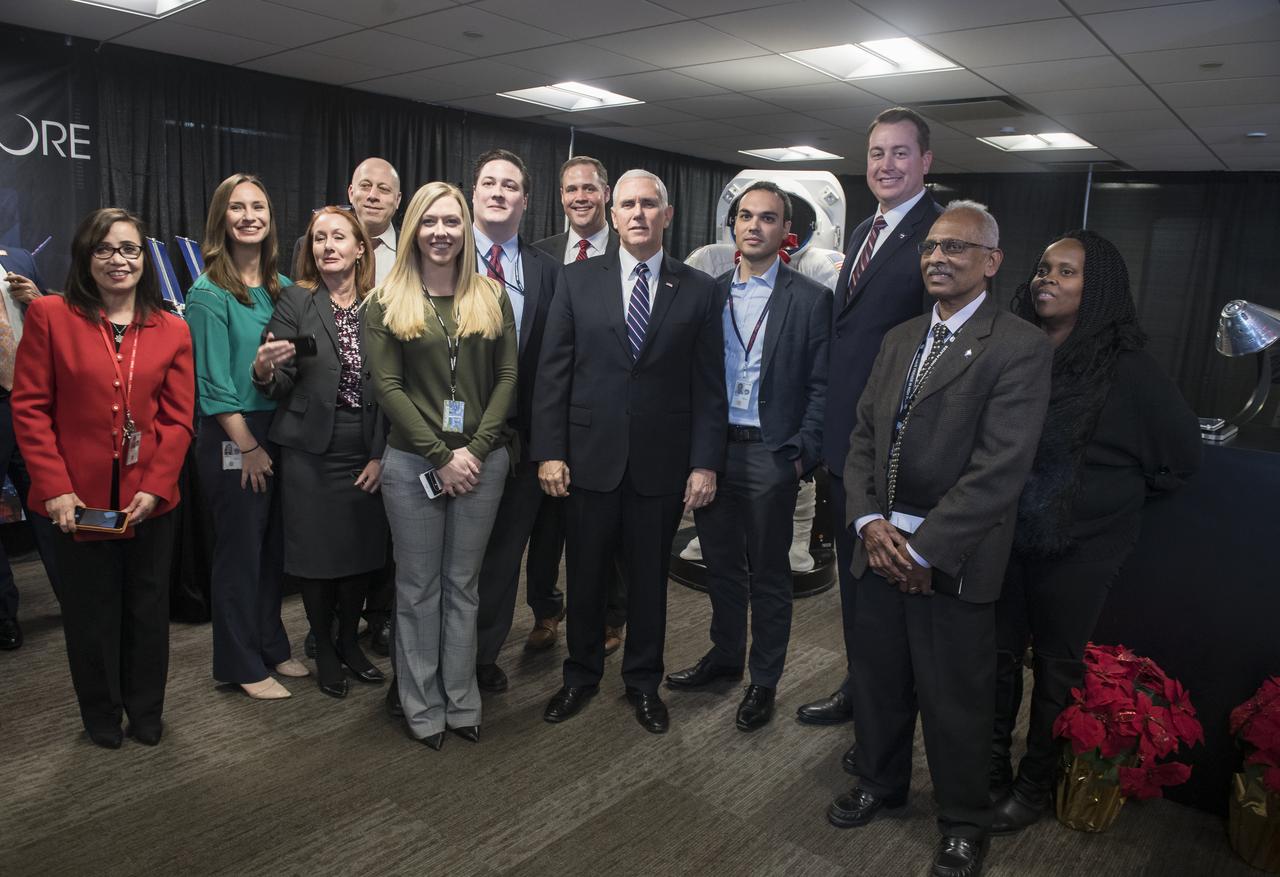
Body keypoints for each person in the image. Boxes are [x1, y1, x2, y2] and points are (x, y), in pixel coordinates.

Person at [829, 202, 1051, 877]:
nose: (937, 258)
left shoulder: (1018, 345)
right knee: (879, 676)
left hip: (952, 556)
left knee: (956, 697)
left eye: (956, 247)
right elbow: (864, 436)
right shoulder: (899, 337)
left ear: (992, 260)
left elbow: (1000, 469)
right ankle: (879, 779)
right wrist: (868, 521)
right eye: (930, 247)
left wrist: (924, 549)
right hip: (879, 543)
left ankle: (962, 820)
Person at [989, 230, 1201, 832]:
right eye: (1043, 268)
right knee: (998, 659)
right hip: (1007, 536)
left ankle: (1033, 788)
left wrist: (1106, 499)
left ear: (1098, 287)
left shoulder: (1128, 368)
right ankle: (991, 772)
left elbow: (1182, 459)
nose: (1046, 279)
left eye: (1066, 271)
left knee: (1055, 670)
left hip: (1080, 548)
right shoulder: (1017, 347)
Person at [533, 169, 727, 735]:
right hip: (588, 458)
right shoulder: (574, 281)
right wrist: (549, 451)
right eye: (627, 205)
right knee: (586, 576)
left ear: (667, 215)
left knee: (648, 584)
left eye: (649, 205)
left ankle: (643, 682)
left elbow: (709, 384)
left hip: (661, 467)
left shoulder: (697, 289)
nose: (638, 214)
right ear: (612, 215)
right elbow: (553, 374)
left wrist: (704, 461)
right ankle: (580, 675)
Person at [12, 207, 195, 747]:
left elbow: (179, 418)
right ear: (86, 257)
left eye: (130, 249)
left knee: (146, 608)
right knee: (90, 615)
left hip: (151, 501)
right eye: (105, 249)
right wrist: (55, 487)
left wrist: (156, 485)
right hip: (77, 502)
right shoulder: (51, 315)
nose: (119, 260)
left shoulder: (173, 328)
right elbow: (30, 409)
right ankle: (99, 713)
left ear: (145, 257)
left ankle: (145, 710)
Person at [798, 107, 943, 745]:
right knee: (856, 593)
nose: (886, 165)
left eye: (900, 153)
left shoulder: (939, 237)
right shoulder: (864, 229)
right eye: (877, 153)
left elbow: (931, 356)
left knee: (887, 596)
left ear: (926, 162)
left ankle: (884, 713)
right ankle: (861, 687)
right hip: (846, 443)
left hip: (894, 448)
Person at [665, 181, 830, 731]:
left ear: (787, 232)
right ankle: (725, 657)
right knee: (722, 568)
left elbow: (822, 387)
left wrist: (800, 455)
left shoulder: (810, 299)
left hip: (770, 454)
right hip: (715, 452)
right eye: (745, 216)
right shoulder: (708, 293)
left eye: (768, 218)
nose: (754, 226)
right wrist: (695, 455)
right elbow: (693, 379)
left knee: (770, 576)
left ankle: (764, 680)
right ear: (733, 227)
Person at [365, 181, 516, 750]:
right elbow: (388, 387)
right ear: (413, 231)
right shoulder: (386, 300)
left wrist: (473, 451)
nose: (441, 233)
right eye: (430, 222)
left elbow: (507, 379)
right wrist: (440, 455)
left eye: (452, 222)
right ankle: (420, 703)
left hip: (482, 464)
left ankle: (461, 700)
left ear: (466, 230)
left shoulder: (491, 295)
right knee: (419, 587)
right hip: (411, 465)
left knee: (463, 587)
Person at [252, 207, 389, 699]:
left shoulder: (383, 303)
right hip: (310, 450)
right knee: (316, 558)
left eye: (338, 238)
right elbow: (280, 378)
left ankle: (350, 643)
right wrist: (265, 370)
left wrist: (380, 455)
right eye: (318, 239)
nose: (327, 247)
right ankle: (326, 650)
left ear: (359, 248)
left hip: (365, 446)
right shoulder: (296, 300)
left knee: (359, 553)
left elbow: (393, 386)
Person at [187, 173, 308, 700]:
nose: (249, 216)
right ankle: (239, 662)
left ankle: (272, 645)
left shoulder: (279, 288)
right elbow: (212, 387)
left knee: (270, 550)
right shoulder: (207, 292)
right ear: (222, 219)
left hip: (276, 429)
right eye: (237, 208)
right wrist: (250, 449)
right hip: (232, 436)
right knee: (239, 550)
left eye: (258, 206)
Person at [468, 149, 561, 692]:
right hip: (447, 441)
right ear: (473, 193)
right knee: (442, 564)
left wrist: (547, 445)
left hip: (519, 442)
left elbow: (553, 367)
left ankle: (482, 656)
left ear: (526, 200)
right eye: (488, 183)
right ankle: (427, 662)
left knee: (502, 559)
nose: (498, 192)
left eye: (510, 185)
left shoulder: (549, 273)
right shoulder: (442, 257)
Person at [530, 155, 628, 657]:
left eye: (590, 188)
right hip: (550, 409)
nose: (580, 198)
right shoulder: (541, 255)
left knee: (604, 530)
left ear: (606, 194)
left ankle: (612, 616)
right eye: (571, 190)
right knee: (545, 527)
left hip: (607, 421)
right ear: (561, 197)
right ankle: (545, 611)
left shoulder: (634, 250)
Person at [0, 244, 61, 650]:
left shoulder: (18, 259)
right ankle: (4, 615)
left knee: (50, 503)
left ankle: (75, 595)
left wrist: (39, 300)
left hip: (28, 401)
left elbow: (58, 322)